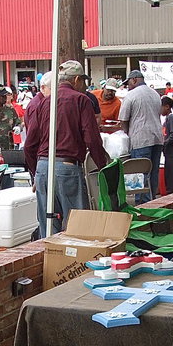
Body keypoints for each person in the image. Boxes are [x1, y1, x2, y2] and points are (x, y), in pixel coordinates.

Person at [24, 62, 109, 237]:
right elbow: (92, 139)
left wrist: (35, 172)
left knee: (47, 225)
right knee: (78, 225)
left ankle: (50, 260)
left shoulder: (44, 102)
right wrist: (103, 167)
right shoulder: (80, 100)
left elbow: (29, 145)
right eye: (82, 81)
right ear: (77, 79)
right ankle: (75, 262)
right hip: (67, 166)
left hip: (43, 168)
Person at [119, 69, 163, 203]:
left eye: (129, 83)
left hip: (140, 139)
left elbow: (123, 119)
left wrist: (126, 133)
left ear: (134, 80)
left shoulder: (131, 95)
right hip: (157, 137)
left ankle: (141, 204)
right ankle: (152, 200)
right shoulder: (155, 94)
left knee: (139, 172)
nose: (128, 86)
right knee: (153, 171)